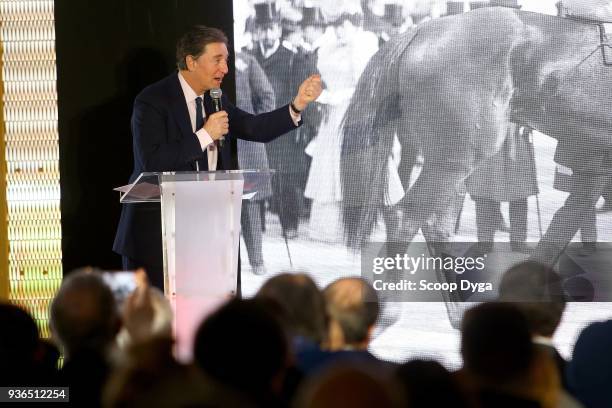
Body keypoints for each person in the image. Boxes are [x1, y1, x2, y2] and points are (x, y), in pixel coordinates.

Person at [113, 25, 322, 289]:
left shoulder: (216, 99)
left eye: (226, 60)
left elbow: (253, 128)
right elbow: (152, 161)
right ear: (191, 61)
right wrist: (206, 134)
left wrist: (297, 105)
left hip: (206, 235)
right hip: (156, 238)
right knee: (154, 327)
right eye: (217, 60)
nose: (225, 68)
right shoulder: (153, 100)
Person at [252, 2, 305, 239]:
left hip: (284, 126)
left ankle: (289, 224)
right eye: (263, 29)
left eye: (272, 28)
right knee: (256, 173)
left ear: (279, 30)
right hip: (255, 125)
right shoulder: (248, 57)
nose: (267, 34)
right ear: (257, 31)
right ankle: (256, 225)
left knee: (285, 178)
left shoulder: (292, 59)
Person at [466, 123, 538, 254]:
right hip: (486, 140)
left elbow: (533, 107)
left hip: (516, 140)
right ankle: (484, 242)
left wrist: (529, 123)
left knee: (519, 193)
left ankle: (518, 240)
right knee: (484, 193)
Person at [235, 50, 276, 276]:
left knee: (249, 203)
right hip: (214, 143)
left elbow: (267, 95)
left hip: (247, 144)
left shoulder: (246, 61)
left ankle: (257, 260)